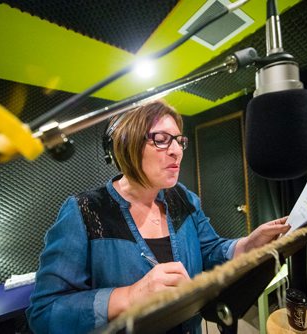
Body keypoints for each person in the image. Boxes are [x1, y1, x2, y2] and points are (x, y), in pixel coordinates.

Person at [26, 100, 290, 333]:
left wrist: (247, 245)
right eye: (162, 139)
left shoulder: (182, 198)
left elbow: (209, 250)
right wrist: (131, 295)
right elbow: (45, 312)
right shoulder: (84, 211)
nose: (177, 151)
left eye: (178, 140)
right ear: (127, 144)